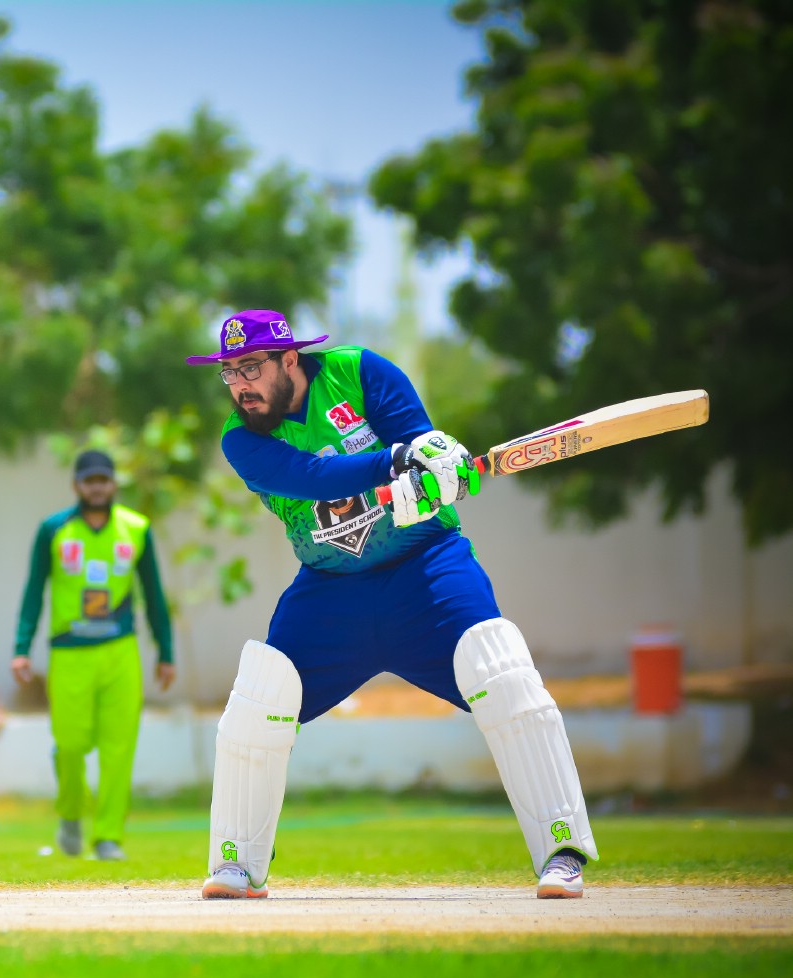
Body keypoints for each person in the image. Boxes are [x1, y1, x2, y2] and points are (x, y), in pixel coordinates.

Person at [187, 309, 598, 901]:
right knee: (260, 697)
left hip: (425, 570)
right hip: (331, 591)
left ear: (289, 358)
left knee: (501, 672)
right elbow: (312, 477)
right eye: (228, 372)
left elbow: (422, 445)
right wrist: (394, 463)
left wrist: (436, 471)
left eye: (251, 367)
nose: (239, 385)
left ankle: (562, 851)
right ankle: (236, 866)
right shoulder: (241, 439)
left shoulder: (359, 373)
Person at [11, 450, 176, 861]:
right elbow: (34, 591)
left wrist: (165, 652)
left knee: (119, 747)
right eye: (90, 481)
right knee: (70, 744)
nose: (97, 487)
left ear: (114, 483)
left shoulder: (135, 528)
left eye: (104, 480)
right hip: (69, 652)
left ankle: (107, 837)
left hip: (121, 652)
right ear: (77, 485)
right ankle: (70, 815)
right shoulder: (54, 530)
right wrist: (21, 648)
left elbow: (154, 594)